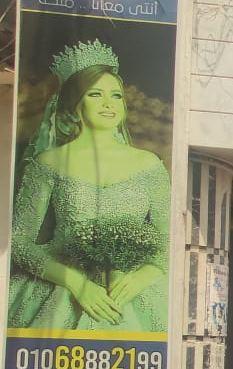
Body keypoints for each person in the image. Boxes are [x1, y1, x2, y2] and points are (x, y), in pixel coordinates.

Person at [9, 39, 170, 332]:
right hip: (61, 291)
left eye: (117, 96)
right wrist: (76, 283)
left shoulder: (149, 164)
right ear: (75, 103)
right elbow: (19, 242)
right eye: (96, 94)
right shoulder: (48, 163)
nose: (109, 104)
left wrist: (140, 278)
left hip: (132, 294)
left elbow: (168, 238)